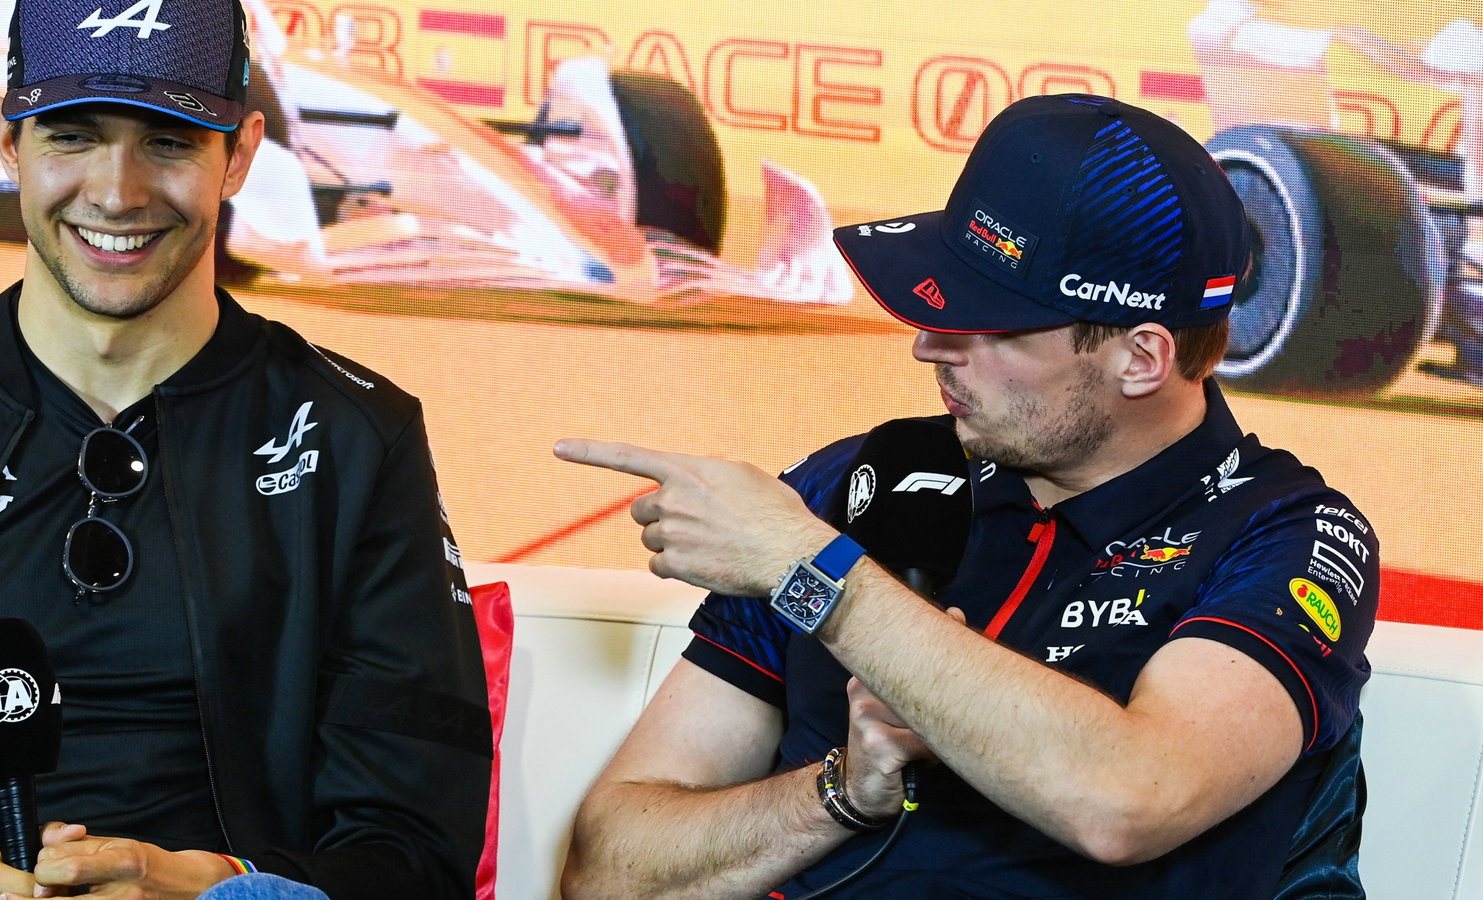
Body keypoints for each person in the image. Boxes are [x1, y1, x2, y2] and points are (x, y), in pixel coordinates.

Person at [555, 93, 1378, 898]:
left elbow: (1133, 800)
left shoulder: (1285, 531)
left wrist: (813, 570)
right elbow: (608, 872)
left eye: (992, 321)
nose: (928, 346)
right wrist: (838, 796)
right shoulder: (859, 478)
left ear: (1141, 358)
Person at [0, 1, 489, 898]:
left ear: (239, 154)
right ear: (7, 141)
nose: (117, 192)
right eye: (73, 136)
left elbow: (412, 849)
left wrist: (206, 882)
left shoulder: (361, 439)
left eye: (168, 141)